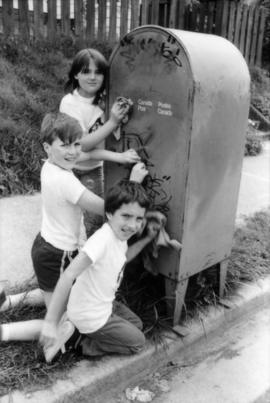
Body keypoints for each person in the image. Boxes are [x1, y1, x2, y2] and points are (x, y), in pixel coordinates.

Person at [0, 112, 148, 313]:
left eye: (77, 144)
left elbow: (89, 155)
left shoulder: (52, 164)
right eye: (66, 145)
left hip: (44, 243)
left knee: (54, 289)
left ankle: (7, 302)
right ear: (47, 147)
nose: (73, 152)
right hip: (59, 253)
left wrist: (119, 156)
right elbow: (107, 208)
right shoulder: (65, 181)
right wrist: (133, 182)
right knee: (63, 312)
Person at [0, 181, 159, 364]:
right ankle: (79, 341)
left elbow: (124, 256)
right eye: (126, 216)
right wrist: (51, 322)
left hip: (102, 303)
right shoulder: (101, 241)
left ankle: (80, 330)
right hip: (91, 316)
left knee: (137, 324)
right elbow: (68, 275)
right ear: (109, 213)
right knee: (138, 342)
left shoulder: (120, 235)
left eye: (139, 219)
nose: (132, 225)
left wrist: (147, 238)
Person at [59, 48, 140, 236]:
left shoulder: (105, 102)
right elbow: (82, 145)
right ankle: (67, 255)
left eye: (99, 72)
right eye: (86, 71)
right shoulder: (70, 103)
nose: (93, 77)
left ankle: (93, 260)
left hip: (92, 170)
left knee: (95, 221)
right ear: (76, 75)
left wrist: (120, 120)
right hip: (68, 169)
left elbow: (103, 142)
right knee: (66, 220)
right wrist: (112, 122)